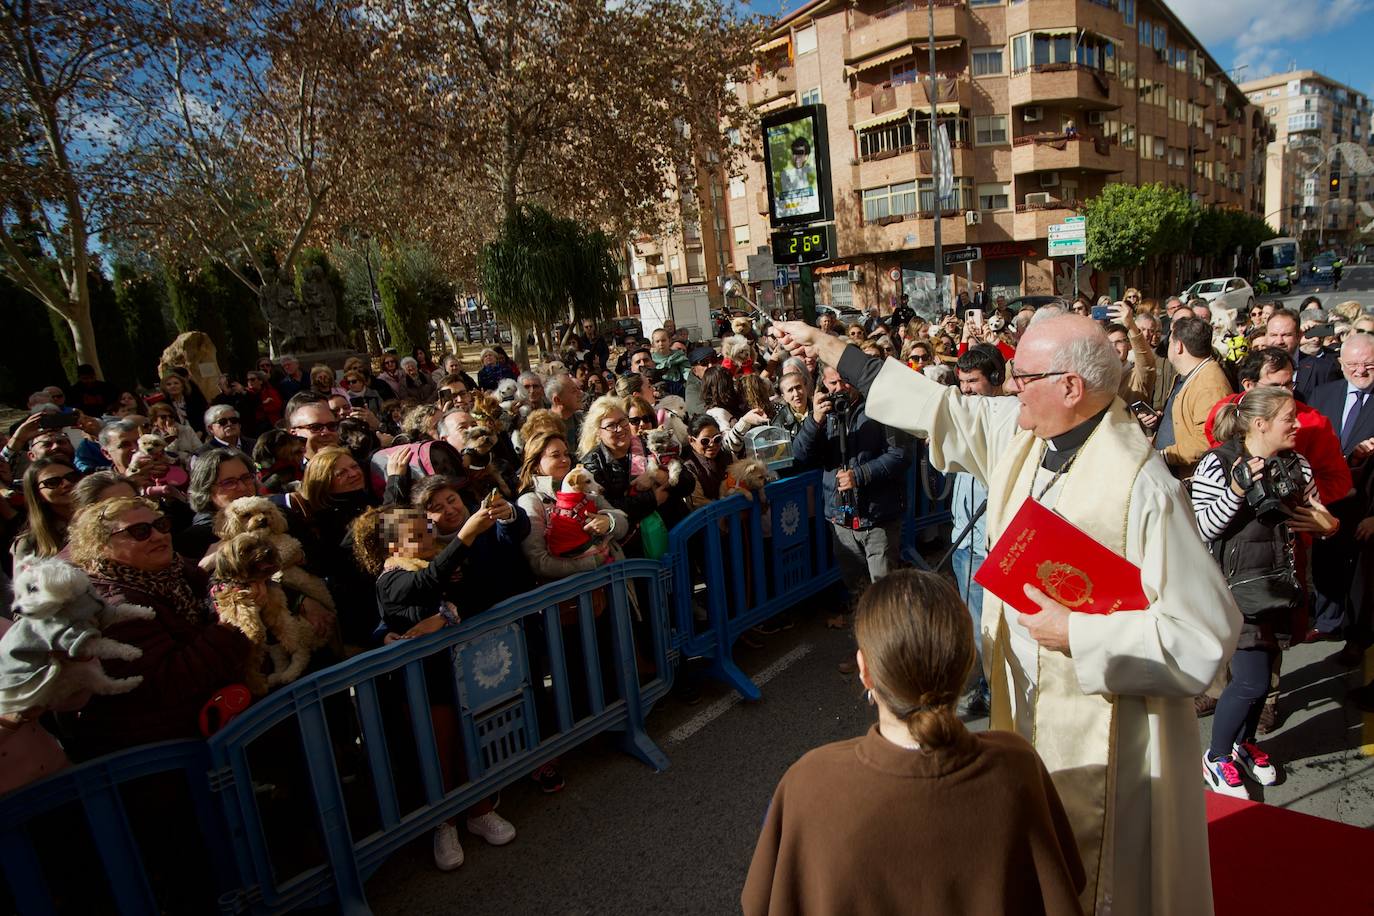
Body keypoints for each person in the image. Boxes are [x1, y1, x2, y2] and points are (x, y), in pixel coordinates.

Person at [773, 314, 1240, 916]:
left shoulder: (1142, 489)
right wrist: (832, 348)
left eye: (1024, 375)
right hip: (1026, 718)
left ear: (1071, 387)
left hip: (1113, 744)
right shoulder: (1027, 432)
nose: (1010, 385)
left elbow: (1207, 637)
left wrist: (1079, 632)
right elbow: (939, 409)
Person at [742, 570, 1085, 916]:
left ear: (866, 673)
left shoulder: (808, 784)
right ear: (967, 663)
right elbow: (1063, 888)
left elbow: (763, 902)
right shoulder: (1018, 768)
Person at [350, 501, 517, 870]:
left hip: (460, 672)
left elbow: (472, 593)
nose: (427, 537)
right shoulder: (391, 579)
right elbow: (427, 583)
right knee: (437, 753)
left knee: (468, 741)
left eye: (427, 530)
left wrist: (443, 616)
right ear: (393, 547)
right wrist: (468, 533)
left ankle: (479, 809)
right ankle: (444, 823)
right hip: (422, 683)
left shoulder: (436, 563)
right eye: (416, 534)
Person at [1191, 387, 1335, 797]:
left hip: (1280, 585)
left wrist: (1329, 524)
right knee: (1252, 681)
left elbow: (1318, 511)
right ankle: (1217, 757)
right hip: (1234, 591)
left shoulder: (1297, 463)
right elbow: (1204, 528)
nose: (1298, 423)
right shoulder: (1216, 464)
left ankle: (1242, 744)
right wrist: (1237, 491)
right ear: (1260, 424)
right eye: (1289, 417)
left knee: (1268, 670)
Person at [61, 496, 253, 758]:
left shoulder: (175, 570)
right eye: (139, 532)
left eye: (161, 525)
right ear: (101, 546)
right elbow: (168, 680)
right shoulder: (113, 608)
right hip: (161, 752)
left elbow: (216, 590)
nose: (158, 536)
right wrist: (229, 626)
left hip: (213, 727)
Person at [791, 361, 909, 602]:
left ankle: (890, 637)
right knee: (857, 591)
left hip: (878, 516)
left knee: (884, 593)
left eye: (845, 380)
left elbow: (900, 455)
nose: (841, 387)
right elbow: (801, 455)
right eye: (833, 382)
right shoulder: (825, 413)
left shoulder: (881, 405)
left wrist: (860, 475)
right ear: (823, 383)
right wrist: (814, 420)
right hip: (841, 519)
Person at [1305, 332, 1374, 644]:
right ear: (1342, 365)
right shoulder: (1323, 395)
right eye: (1353, 364)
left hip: (1366, 507)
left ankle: (1357, 639)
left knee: (1361, 580)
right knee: (1324, 566)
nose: (1360, 371)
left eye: (1368, 364)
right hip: (1326, 502)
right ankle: (1327, 621)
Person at [949, 345, 1006, 716]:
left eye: (973, 382)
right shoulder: (963, 418)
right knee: (975, 629)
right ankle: (987, 685)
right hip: (963, 540)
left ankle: (997, 693)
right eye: (962, 382)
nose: (965, 390)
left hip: (991, 544)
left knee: (996, 631)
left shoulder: (1009, 420)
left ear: (996, 380)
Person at [1155, 316, 1233, 477]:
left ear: (1178, 347)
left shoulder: (1210, 385)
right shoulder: (1188, 376)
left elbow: (1207, 440)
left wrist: (1162, 454)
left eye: (1170, 342)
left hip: (1190, 479)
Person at [177, 448, 258, 560]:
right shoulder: (198, 538)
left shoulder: (275, 516)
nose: (243, 487)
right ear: (207, 491)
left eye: (246, 478)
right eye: (229, 483)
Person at [12, 458, 81, 562]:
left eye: (72, 477)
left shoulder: (107, 518)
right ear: (37, 495)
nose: (66, 483)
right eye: (52, 482)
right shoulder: (29, 543)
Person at [1267, 309, 1340, 402]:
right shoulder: (1253, 369)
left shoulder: (1323, 369)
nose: (1279, 341)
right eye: (1273, 335)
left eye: (1286, 335)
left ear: (1299, 336)